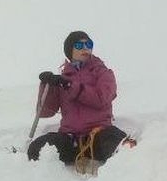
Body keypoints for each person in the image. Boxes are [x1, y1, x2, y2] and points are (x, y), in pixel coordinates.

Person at [27, 31, 127, 169]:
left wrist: (70, 86)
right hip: (70, 139)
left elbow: (102, 98)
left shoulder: (103, 73)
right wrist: (47, 86)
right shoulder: (63, 78)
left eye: (89, 44)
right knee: (37, 148)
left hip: (98, 135)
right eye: (79, 45)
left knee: (118, 143)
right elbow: (46, 112)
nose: (85, 48)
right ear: (70, 50)